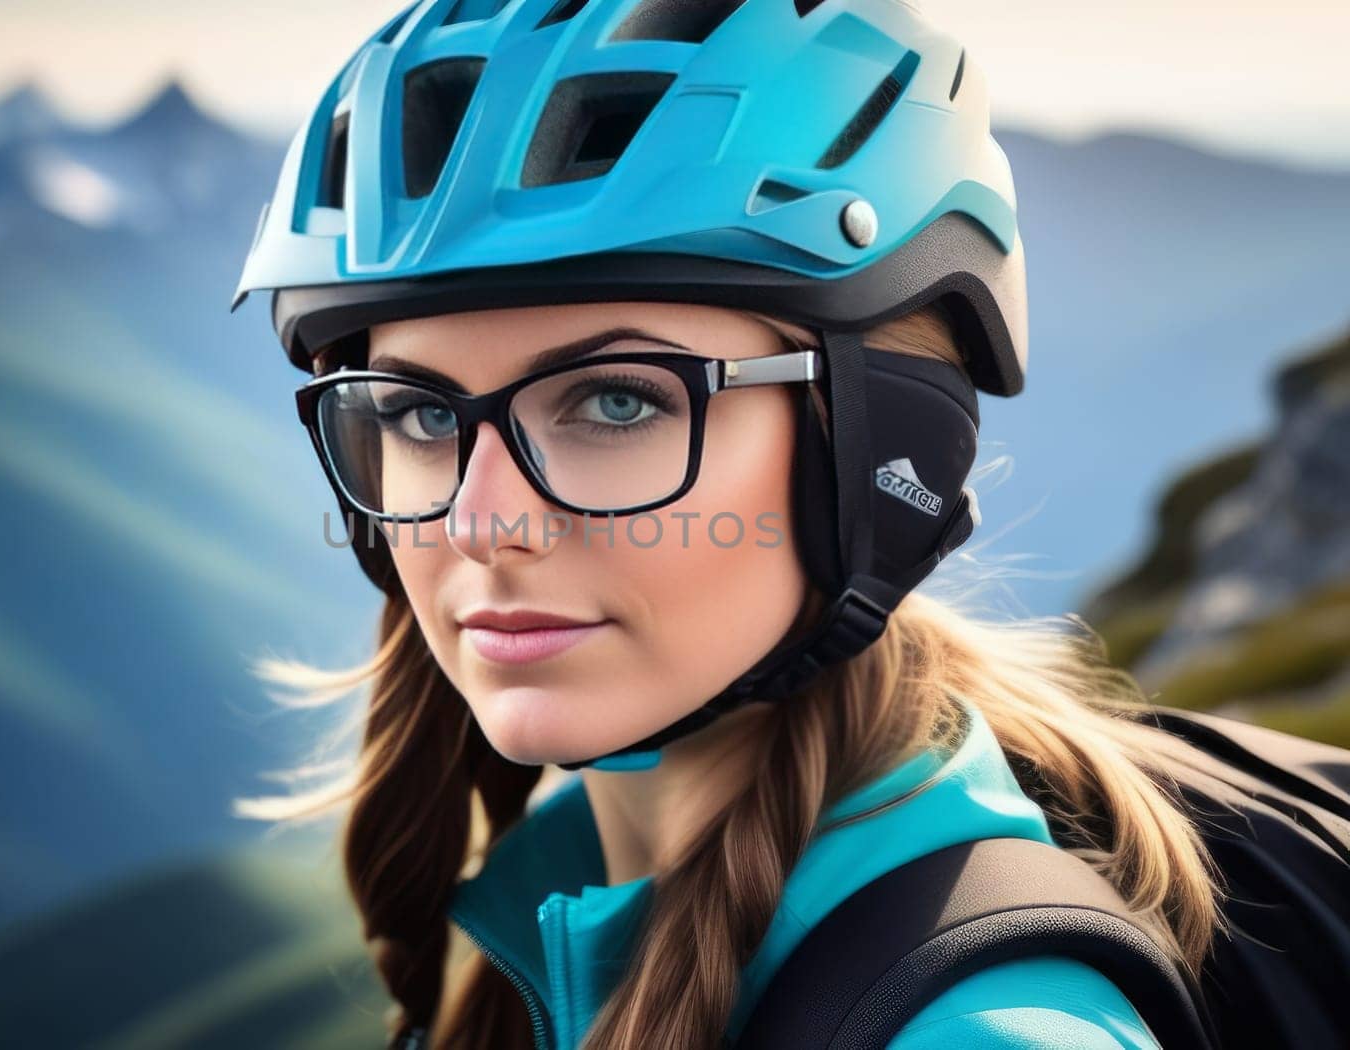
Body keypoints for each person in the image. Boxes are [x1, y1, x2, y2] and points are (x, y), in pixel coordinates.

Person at [229, 1, 1227, 1047]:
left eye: (618, 401)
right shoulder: (553, 907)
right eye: (420, 413)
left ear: (885, 455)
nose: (481, 522)